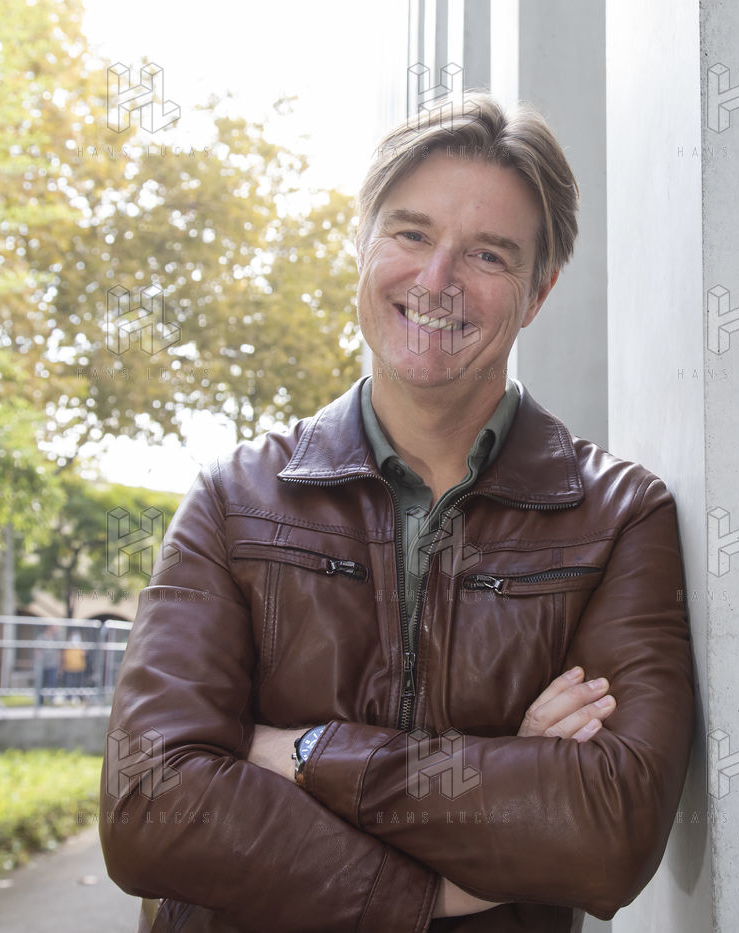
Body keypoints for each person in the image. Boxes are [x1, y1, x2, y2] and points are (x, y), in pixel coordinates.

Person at [101, 92, 694, 932]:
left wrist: (303, 753)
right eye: (412, 234)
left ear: (537, 293)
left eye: (487, 254)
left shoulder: (618, 517)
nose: (437, 280)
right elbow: (149, 804)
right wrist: (490, 808)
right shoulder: (235, 500)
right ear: (363, 244)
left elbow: (606, 834)